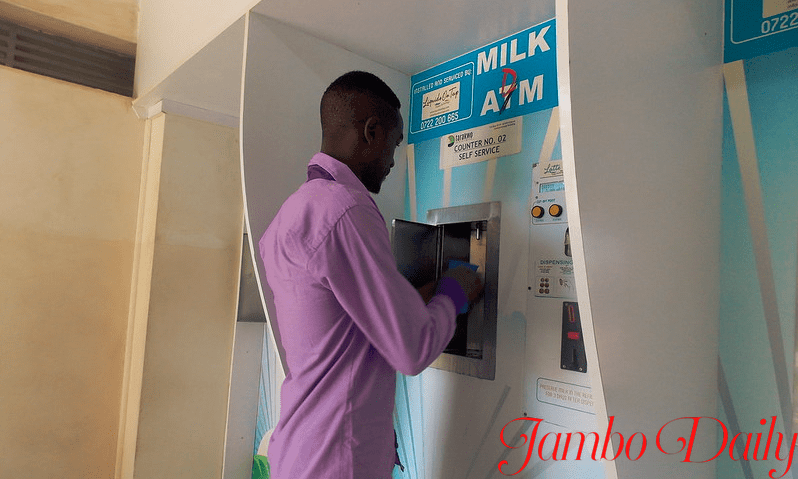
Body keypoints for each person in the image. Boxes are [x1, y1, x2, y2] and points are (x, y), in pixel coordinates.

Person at [259, 70, 483, 479]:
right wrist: (455, 291)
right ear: (371, 131)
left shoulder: (293, 213)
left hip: (301, 452)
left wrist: (422, 298)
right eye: (394, 144)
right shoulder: (346, 209)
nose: (394, 161)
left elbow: (344, 325)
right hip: (336, 461)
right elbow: (411, 349)